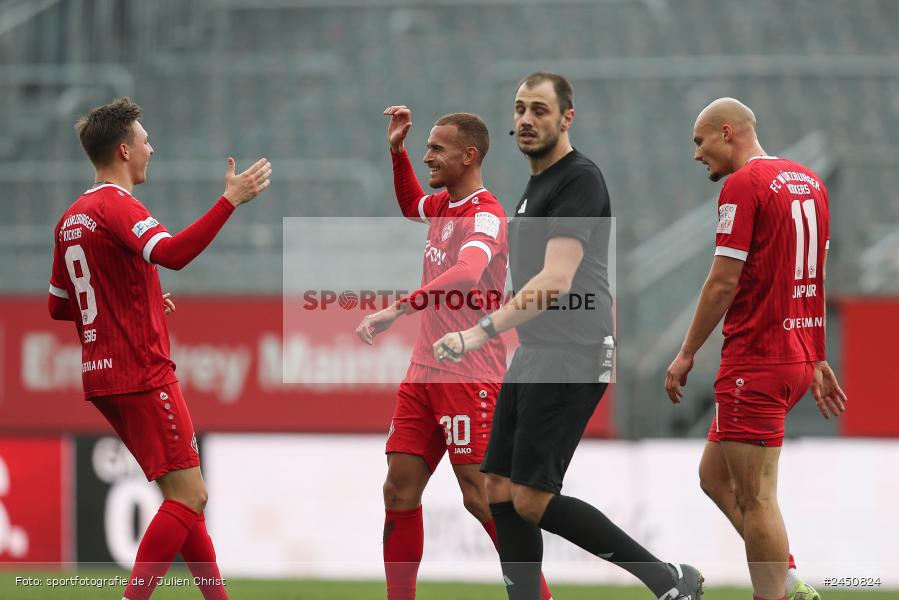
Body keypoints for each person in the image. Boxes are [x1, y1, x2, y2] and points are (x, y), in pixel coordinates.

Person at [434, 72, 703, 600]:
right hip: (537, 352)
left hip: (575, 351)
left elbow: (556, 282)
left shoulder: (580, 178)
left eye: (539, 109)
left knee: (532, 498)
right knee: (499, 490)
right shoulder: (537, 187)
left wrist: (479, 333)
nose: (526, 119)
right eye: (519, 109)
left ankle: (669, 581)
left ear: (566, 118)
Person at [48, 97, 272, 600]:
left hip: (101, 376)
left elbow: (59, 306)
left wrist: (136, 295)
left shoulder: (70, 218)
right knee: (192, 496)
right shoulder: (117, 205)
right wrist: (229, 201)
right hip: (142, 370)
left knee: (181, 497)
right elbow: (172, 254)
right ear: (125, 150)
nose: (153, 148)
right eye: (146, 140)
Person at [354, 106, 552, 600]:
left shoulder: (486, 215)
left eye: (436, 149)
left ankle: (536, 595)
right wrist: (396, 153)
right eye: (425, 149)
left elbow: (466, 274)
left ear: (469, 155)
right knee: (397, 490)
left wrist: (395, 310)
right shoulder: (443, 207)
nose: (427, 157)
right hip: (423, 374)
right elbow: (409, 206)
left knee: (482, 499)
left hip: (470, 376)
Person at [664, 97, 848, 600]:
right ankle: (785, 578)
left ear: (728, 133)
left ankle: (775, 595)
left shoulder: (743, 185)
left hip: (757, 360)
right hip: (792, 355)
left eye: (700, 142)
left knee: (758, 496)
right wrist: (816, 353)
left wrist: (686, 353)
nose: (697, 154)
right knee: (714, 477)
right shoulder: (810, 182)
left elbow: (723, 282)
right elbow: (813, 277)